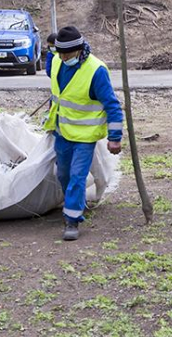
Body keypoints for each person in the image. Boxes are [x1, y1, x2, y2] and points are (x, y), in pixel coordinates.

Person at [45, 26, 123, 241]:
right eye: (60, 52)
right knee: (63, 174)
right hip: (62, 131)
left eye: (67, 53)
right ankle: (74, 204)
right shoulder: (58, 61)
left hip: (85, 136)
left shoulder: (96, 70)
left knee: (77, 176)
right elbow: (52, 75)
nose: (63, 57)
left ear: (79, 50)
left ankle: (72, 220)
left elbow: (113, 105)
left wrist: (115, 138)